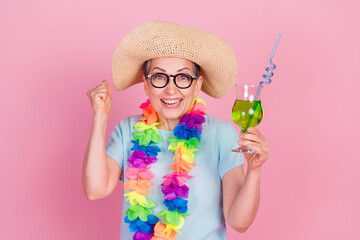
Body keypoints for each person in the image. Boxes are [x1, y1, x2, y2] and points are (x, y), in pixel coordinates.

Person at [82, 21, 269, 240]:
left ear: (197, 85)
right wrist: (100, 115)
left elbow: (240, 222)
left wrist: (254, 170)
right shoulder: (127, 131)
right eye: (160, 77)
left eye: (183, 78)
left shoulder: (222, 135)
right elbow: (95, 190)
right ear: (146, 83)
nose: (171, 89)